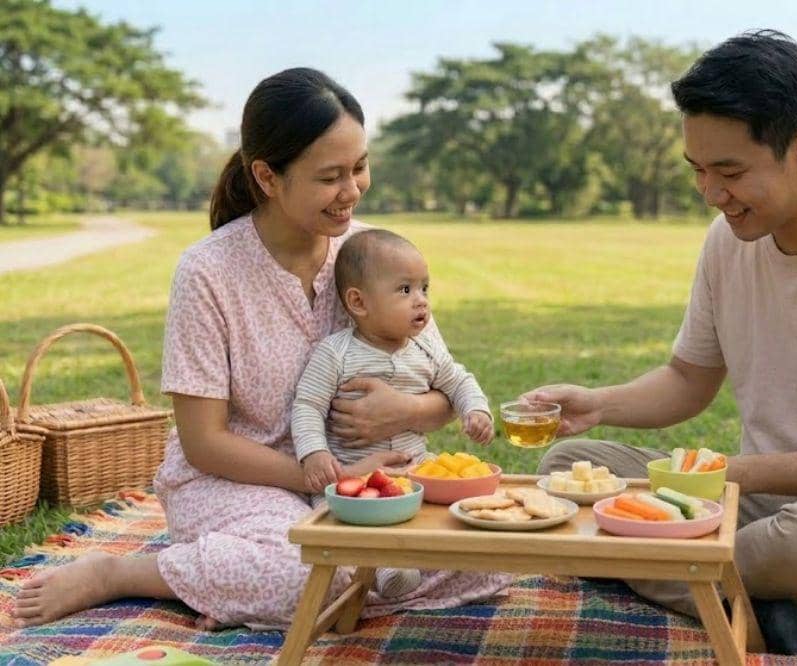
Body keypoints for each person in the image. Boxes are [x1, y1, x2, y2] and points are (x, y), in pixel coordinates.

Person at [12, 67, 511, 630]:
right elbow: (204, 443)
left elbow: (442, 379)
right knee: (321, 574)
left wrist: (410, 411)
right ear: (268, 177)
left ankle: (233, 583)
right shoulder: (208, 271)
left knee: (483, 555)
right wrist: (322, 480)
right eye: (330, 177)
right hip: (238, 484)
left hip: (361, 482)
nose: (352, 191)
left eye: (360, 167)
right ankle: (124, 574)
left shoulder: (372, 253)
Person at [528, 30, 797, 655]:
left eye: (729, 172)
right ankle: (745, 592)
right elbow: (688, 379)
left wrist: (730, 473)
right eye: (699, 171)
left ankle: (677, 572)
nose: (711, 193)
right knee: (564, 474)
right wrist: (598, 404)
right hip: (755, 501)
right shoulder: (729, 240)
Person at [291, 228, 494, 596]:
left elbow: (458, 380)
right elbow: (307, 404)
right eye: (405, 290)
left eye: (424, 288)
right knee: (340, 515)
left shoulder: (425, 351)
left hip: (416, 469)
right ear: (359, 302)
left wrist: (476, 410)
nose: (421, 302)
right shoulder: (336, 353)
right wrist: (314, 452)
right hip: (354, 473)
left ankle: (423, 558)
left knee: (448, 508)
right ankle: (387, 570)